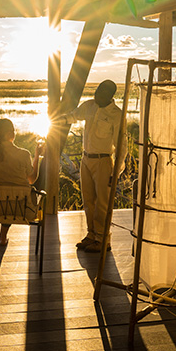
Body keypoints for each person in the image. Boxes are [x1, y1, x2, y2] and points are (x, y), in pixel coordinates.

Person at [62, 80, 126, 253]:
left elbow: (121, 146)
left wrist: (116, 170)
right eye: (96, 91)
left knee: (102, 203)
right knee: (88, 200)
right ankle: (91, 235)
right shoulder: (89, 106)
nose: (96, 94)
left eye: (101, 92)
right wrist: (60, 118)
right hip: (86, 159)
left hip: (103, 161)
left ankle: (103, 240)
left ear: (110, 95)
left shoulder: (117, 115)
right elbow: (73, 115)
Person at [0, 118, 43, 246]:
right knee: (13, 198)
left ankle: (2, 236)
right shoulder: (24, 154)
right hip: (23, 209)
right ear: (11, 134)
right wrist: (37, 157)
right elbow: (31, 180)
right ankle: (3, 236)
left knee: (2, 198)